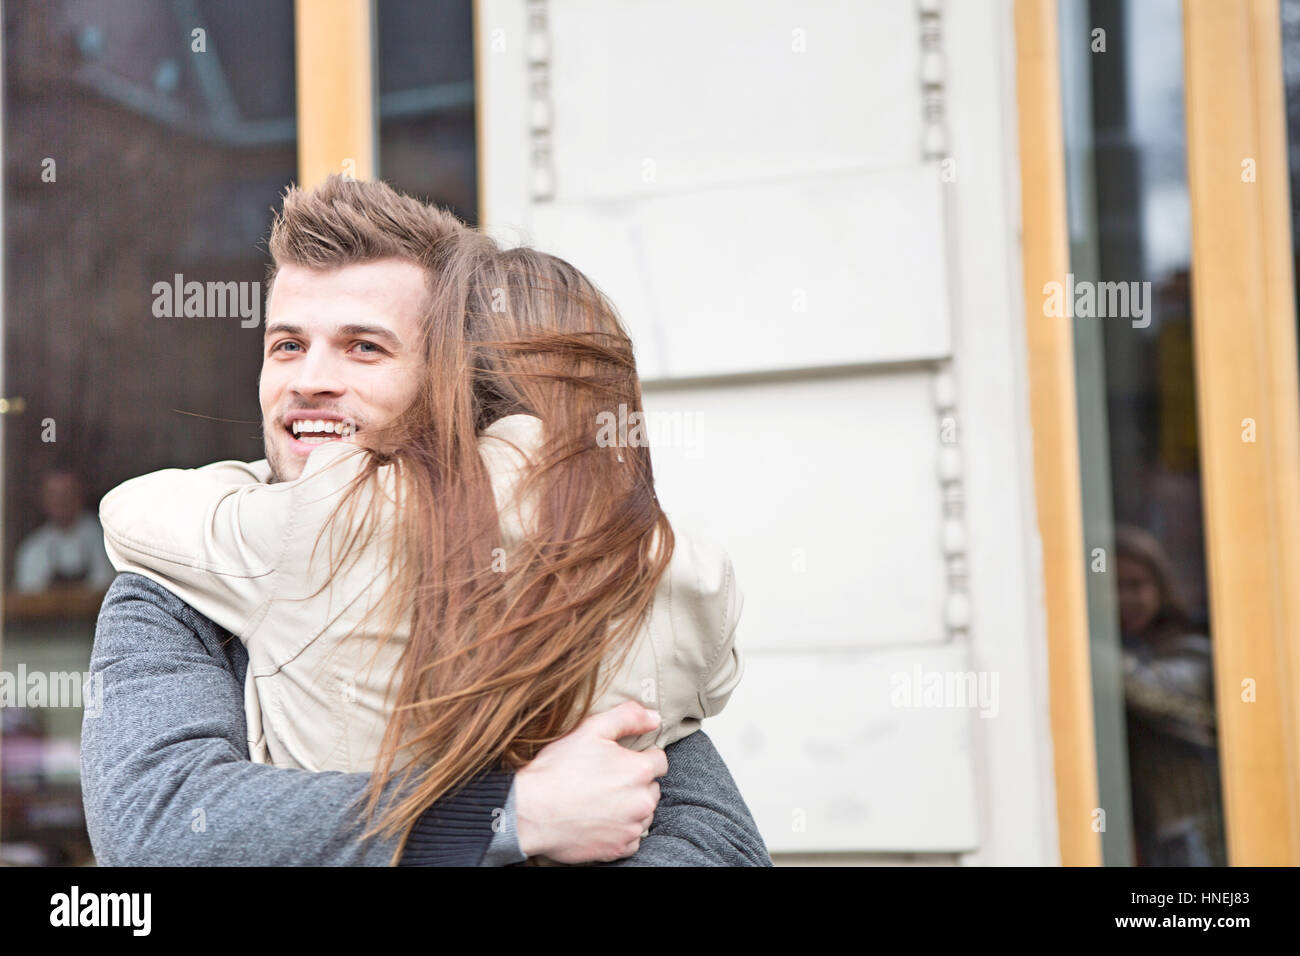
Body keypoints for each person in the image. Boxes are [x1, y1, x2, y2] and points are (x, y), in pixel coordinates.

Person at [80, 175, 770, 866]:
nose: (308, 378)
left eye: (364, 347)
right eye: (287, 345)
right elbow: (158, 827)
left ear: (449, 386)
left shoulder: (570, 572)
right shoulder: (169, 589)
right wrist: (505, 815)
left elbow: (717, 843)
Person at [1114, 524, 1225, 867]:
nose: (1125, 599)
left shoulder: (1193, 652)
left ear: (1161, 587)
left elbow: (1146, 688)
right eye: (1114, 587)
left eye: (1136, 585)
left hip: (1198, 832)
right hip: (1145, 834)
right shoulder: (1123, 653)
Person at [13, 469, 114, 593]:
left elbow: (106, 588)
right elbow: (27, 597)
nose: (61, 501)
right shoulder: (32, 548)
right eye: (54, 494)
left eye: (67, 492)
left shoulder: (104, 540)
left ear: (80, 495)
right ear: (43, 499)